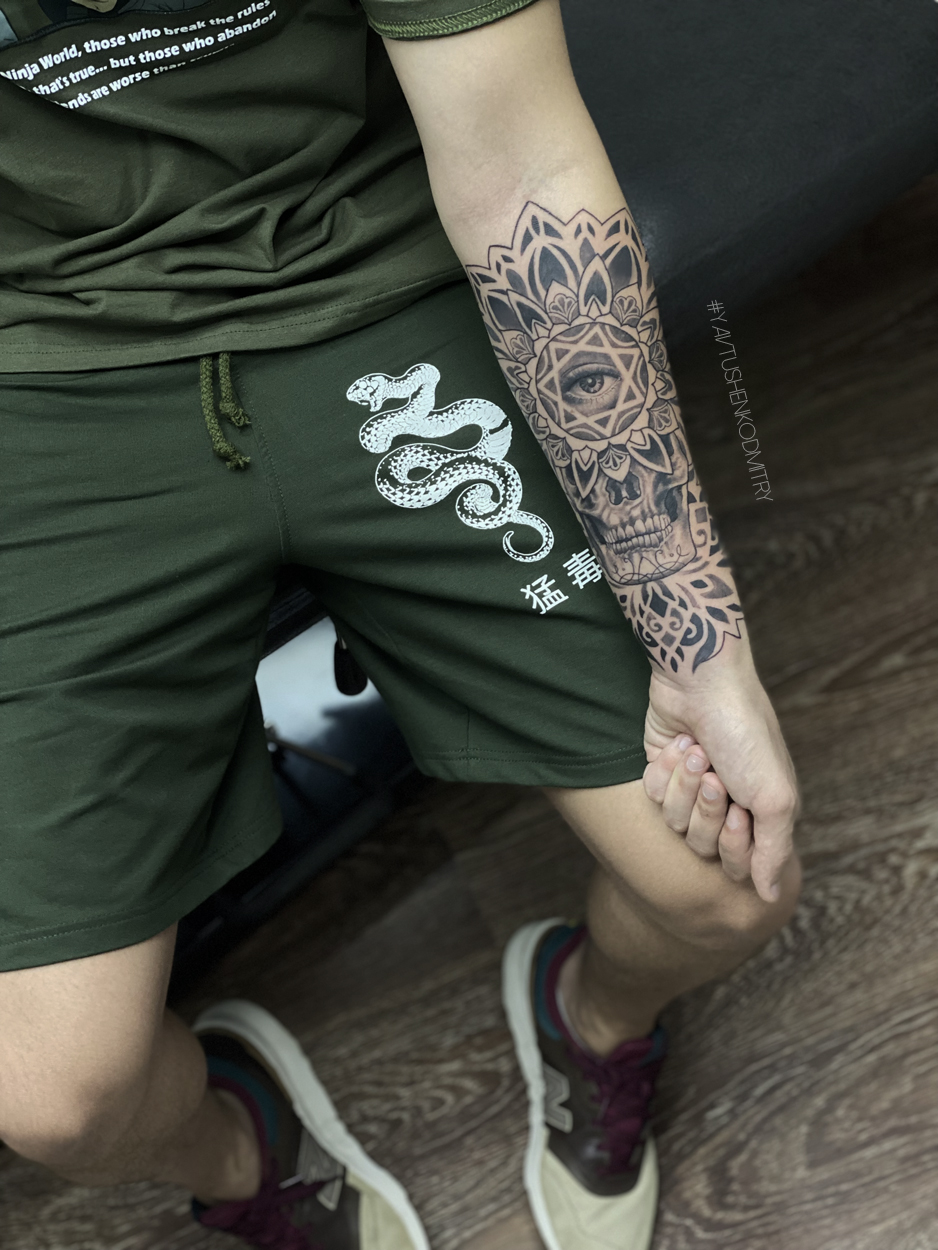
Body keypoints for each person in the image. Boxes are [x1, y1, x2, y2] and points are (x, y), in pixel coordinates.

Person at [0, 0, 801, 1246]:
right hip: (45, 373)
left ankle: (592, 1017)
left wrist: (701, 642)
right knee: (55, 1096)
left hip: (364, 266)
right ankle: (237, 1147)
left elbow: (524, 167)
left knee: (724, 882)